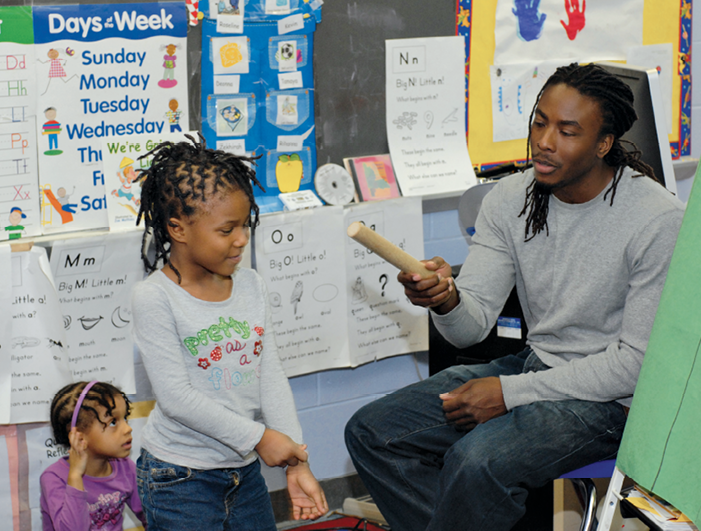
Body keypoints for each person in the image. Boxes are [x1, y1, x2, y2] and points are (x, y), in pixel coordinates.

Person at [345, 63, 686, 531]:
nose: (544, 141)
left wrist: (510, 393)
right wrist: (445, 299)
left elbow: (633, 364)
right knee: (373, 432)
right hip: (539, 367)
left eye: (567, 131)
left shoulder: (658, 220)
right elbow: (472, 326)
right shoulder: (511, 199)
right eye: (539, 121)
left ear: (603, 144)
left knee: (477, 460)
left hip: (616, 401)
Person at [131, 136, 328, 531]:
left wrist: (296, 460)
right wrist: (260, 437)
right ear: (177, 228)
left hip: (245, 474)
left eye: (244, 225)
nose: (241, 238)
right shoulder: (154, 297)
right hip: (179, 480)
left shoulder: (251, 284)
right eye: (226, 229)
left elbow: (268, 374)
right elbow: (177, 399)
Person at [40, 381, 146, 531]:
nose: (127, 428)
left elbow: (150, 515)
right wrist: (75, 476)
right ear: (79, 437)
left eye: (125, 418)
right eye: (113, 422)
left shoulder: (125, 466)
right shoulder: (54, 478)